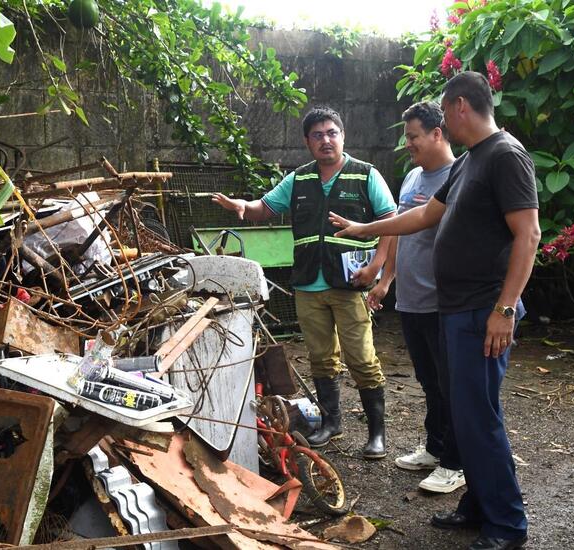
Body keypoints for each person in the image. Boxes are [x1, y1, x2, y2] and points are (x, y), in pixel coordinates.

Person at [329, 72, 540, 550]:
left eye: (444, 112)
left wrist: (504, 309)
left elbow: (528, 235)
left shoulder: (506, 156)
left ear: (460, 106)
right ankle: (478, 506)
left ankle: (507, 525)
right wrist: (366, 229)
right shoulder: (470, 162)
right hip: (456, 309)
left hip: (483, 310)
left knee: (479, 417)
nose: (442, 121)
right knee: (463, 416)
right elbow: (426, 215)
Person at [212, 106, 396, 459]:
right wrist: (241, 206)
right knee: (321, 358)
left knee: (361, 358)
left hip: (351, 283)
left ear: (342, 136)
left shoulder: (365, 175)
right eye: (317, 135)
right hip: (310, 284)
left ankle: (377, 434)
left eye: (332, 133)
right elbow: (263, 208)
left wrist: (377, 268)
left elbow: (391, 221)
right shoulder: (299, 179)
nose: (325, 140)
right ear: (307, 142)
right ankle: (331, 422)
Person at [367, 102, 465, 494]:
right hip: (411, 299)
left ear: (437, 133)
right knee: (428, 381)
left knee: (451, 385)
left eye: (414, 137)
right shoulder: (411, 178)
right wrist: (387, 279)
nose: (408, 144)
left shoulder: (458, 175)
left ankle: (456, 463)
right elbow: (400, 235)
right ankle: (435, 446)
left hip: (444, 302)